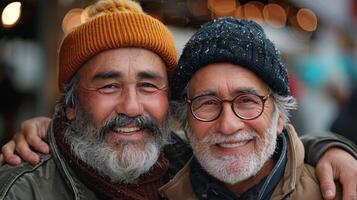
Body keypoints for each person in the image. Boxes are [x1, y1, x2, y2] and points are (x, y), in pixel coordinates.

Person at [0, 1, 357, 200]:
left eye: (148, 85)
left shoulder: (180, 163)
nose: (131, 106)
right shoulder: (23, 190)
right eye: (109, 86)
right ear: (71, 103)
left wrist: (329, 148)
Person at [158, 18, 349, 199]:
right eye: (207, 103)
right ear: (186, 122)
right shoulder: (157, 190)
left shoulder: (340, 192)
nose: (228, 125)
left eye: (247, 101)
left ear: (279, 116)